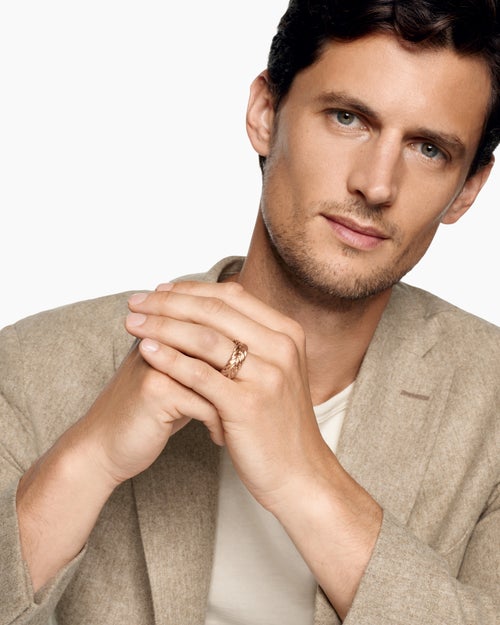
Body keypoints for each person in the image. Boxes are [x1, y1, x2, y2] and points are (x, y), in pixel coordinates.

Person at [1, 0, 499, 623]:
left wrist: (304, 479)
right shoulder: (30, 368)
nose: (376, 185)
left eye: (428, 149)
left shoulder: (491, 410)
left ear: (467, 189)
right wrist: (90, 459)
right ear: (265, 113)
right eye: (347, 118)